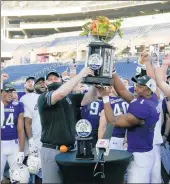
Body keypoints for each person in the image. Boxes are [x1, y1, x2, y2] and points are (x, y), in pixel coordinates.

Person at [38, 67, 98, 183]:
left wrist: (95, 82)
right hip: (52, 150)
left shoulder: (69, 98)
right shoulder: (43, 97)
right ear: (45, 83)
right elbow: (60, 93)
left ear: (61, 80)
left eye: (56, 78)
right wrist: (80, 74)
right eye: (50, 79)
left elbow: (91, 97)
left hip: (71, 150)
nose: (54, 80)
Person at [97, 73, 160, 183]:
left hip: (140, 156)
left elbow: (113, 121)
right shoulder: (150, 99)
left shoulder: (144, 107)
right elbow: (122, 91)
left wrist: (105, 97)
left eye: (140, 86)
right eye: (136, 85)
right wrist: (113, 72)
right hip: (143, 152)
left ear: (149, 89)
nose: (136, 88)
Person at [24, 77, 47, 183]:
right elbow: (27, 122)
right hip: (36, 141)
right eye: (39, 82)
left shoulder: (52, 95)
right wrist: (31, 140)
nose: (42, 84)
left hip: (50, 141)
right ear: (34, 86)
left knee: (47, 173)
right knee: (34, 170)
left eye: (43, 82)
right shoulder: (27, 98)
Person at [1, 83, 25, 182]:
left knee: (19, 177)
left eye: (12, 91)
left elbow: (20, 129)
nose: (10, 94)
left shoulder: (18, 105)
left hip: (14, 144)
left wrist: (21, 150)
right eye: (7, 91)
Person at [98, 86, 128, 150]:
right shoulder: (107, 100)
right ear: (111, 88)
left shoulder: (128, 99)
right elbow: (102, 126)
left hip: (128, 137)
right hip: (113, 137)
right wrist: (101, 144)